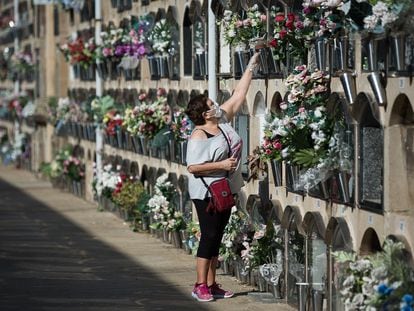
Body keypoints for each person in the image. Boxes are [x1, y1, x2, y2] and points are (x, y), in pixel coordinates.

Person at [185, 52, 260, 302]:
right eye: (210, 105)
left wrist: (251, 64)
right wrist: (222, 163)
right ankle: (199, 285)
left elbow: (239, 94)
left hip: (225, 188)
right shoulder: (199, 135)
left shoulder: (223, 120)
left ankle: (212, 283)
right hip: (206, 191)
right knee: (208, 235)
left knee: (217, 235)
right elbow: (193, 167)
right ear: (205, 114)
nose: (215, 105)